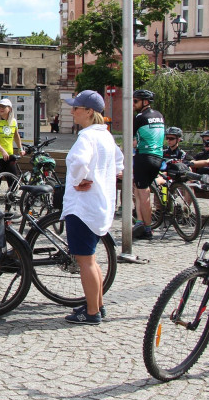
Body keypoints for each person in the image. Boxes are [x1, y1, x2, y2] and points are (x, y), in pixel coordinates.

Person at [61, 90, 123, 325]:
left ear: (89, 112)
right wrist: (107, 175)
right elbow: (119, 162)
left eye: (76, 108)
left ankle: (91, 313)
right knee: (92, 259)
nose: (72, 111)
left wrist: (79, 180)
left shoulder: (87, 137)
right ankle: (96, 304)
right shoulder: (105, 135)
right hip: (99, 205)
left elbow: (79, 162)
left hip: (83, 208)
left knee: (85, 261)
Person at [131, 88, 165, 241]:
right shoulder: (159, 115)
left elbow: (132, 140)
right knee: (138, 190)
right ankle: (139, 221)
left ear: (145, 102)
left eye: (136, 101)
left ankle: (147, 229)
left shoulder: (139, 117)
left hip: (144, 157)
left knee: (143, 194)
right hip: (158, 157)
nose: (133, 103)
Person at [0, 97, 23, 178]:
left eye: (3, 107)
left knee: (13, 183)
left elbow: (16, 136)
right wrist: (3, 151)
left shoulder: (13, 121)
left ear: (9, 108)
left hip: (9, 156)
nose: (1, 109)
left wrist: (20, 148)